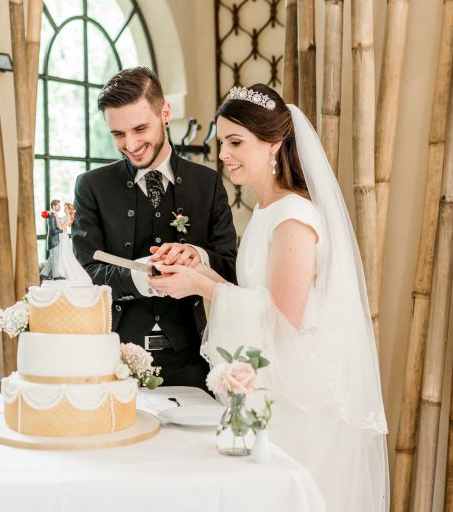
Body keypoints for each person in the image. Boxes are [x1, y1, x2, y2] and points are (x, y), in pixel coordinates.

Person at [148, 84, 389, 510]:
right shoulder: (264, 210)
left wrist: (202, 287)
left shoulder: (293, 218)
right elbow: (254, 295)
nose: (224, 154)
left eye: (236, 142)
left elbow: (283, 318)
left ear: (274, 143)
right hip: (272, 386)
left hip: (299, 402)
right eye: (222, 142)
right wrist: (196, 268)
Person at [72, 67, 237, 390]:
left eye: (140, 128)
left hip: (194, 362)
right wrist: (141, 275)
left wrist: (196, 256)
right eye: (118, 134)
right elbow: (84, 275)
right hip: (111, 362)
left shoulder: (207, 184)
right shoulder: (92, 187)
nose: (130, 144)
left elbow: (231, 269)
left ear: (165, 113)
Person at [40, 199, 63, 280]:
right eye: (58, 205)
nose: (59, 207)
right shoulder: (52, 216)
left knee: (52, 257)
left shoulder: (52, 215)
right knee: (54, 258)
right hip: (53, 240)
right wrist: (61, 230)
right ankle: (56, 275)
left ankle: (43, 274)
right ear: (54, 206)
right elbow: (53, 230)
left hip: (53, 240)